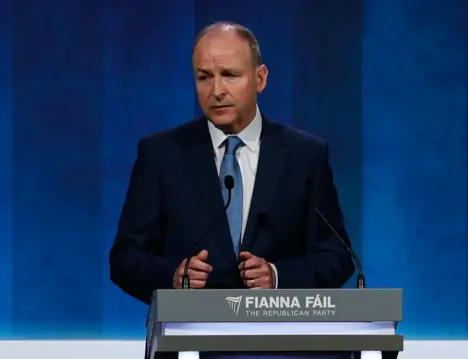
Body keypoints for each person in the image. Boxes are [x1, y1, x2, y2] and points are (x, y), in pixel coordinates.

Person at [109, 19, 354, 337]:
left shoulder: (304, 155)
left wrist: (277, 277)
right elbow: (124, 258)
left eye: (230, 75)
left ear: (260, 78)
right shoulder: (161, 155)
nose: (216, 91)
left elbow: (336, 256)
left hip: (285, 343)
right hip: (188, 341)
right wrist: (172, 276)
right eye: (204, 77)